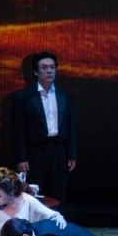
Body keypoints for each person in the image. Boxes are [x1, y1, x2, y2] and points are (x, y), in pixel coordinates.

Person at [8, 51, 78, 204]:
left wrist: (72, 154)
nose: (49, 71)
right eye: (44, 68)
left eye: (52, 67)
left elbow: (71, 126)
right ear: (35, 72)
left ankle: (55, 220)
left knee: (57, 195)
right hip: (35, 153)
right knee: (33, 196)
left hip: (59, 152)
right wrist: (21, 158)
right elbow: (18, 131)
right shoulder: (23, 97)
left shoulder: (65, 96)